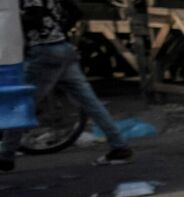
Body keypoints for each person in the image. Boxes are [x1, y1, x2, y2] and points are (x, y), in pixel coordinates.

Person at [1, 0, 133, 172]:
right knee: (90, 102)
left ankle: (5, 156)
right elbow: (75, 11)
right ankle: (119, 146)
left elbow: (35, 17)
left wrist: (13, 20)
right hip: (63, 47)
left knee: (22, 106)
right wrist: (59, 31)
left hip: (43, 52)